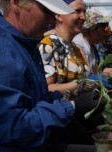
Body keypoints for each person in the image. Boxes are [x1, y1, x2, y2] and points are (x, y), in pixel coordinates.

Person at [0, 0, 106, 152]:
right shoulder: (0, 53)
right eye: (46, 10)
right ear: (17, 3)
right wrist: (70, 108)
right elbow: (12, 127)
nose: (51, 19)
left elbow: (37, 96)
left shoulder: (23, 44)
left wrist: (72, 100)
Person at [37, 0, 107, 136]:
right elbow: (46, 89)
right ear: (58, 15)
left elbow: (87, 80)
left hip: (79, 118)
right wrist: (82, 84)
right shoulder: (48, 44)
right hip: (61, 123)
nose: (84, 17)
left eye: (84, 12)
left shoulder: (75, 48)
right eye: (77, 11)